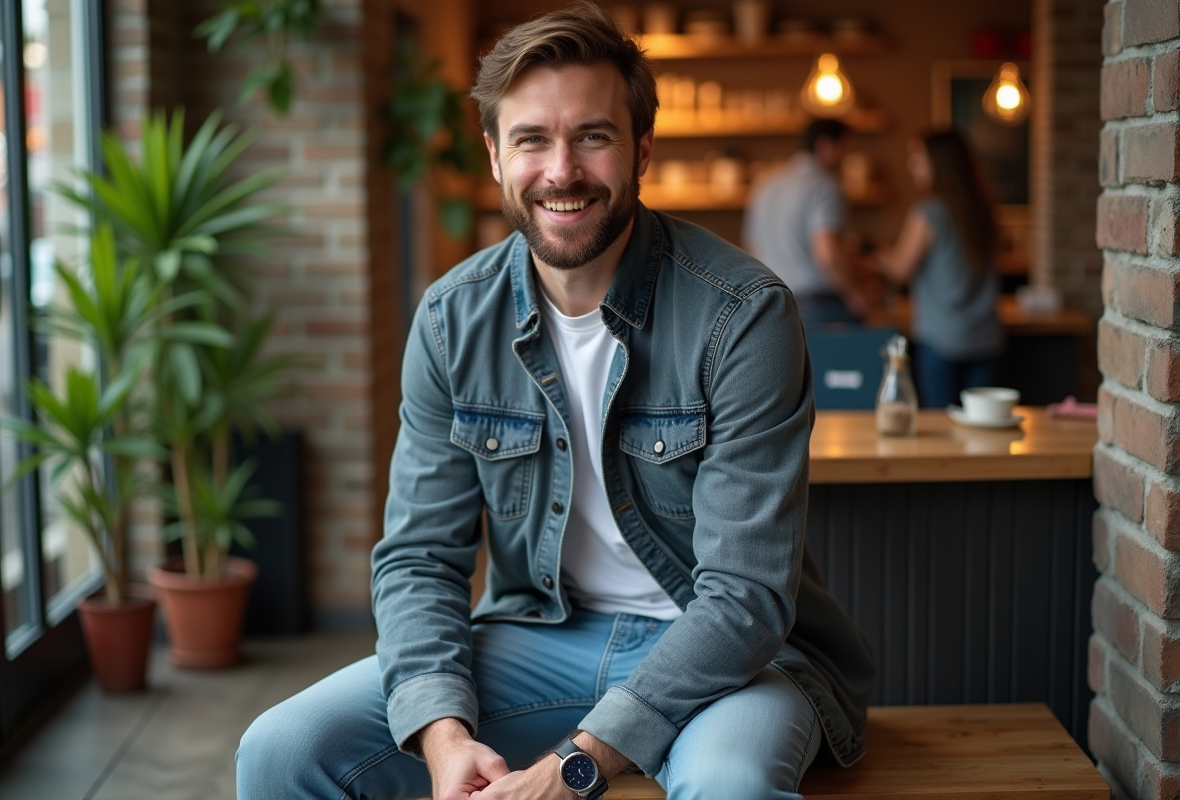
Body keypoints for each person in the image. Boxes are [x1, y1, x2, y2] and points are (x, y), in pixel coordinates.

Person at [235, 4, 874, 799]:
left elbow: (745, 598)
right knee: (280, 750)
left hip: (729, 655)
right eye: (532, 138)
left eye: (593, 137)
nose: (561, 170)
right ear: (495, 155)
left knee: (731, 788)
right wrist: (441, 735)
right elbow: (419, 558)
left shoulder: (741, 314)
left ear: (642, 149)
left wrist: (578, 767)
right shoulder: (449, 319)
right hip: (539, 635)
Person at [870, 129, 1003, 409]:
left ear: (938, 163)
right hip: (986, 338)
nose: (912, 165)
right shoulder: (984, 209)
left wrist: (878, 256)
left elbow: (900, 269)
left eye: (918, 158)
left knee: (942, 432)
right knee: (983, 429)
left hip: (942, 340)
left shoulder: (928, 212)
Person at [742, 118, 870, 327]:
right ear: (825, 146)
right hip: (817, 307)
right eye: (844, 150)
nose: (845, 159)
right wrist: (855, 295)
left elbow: (751, 249)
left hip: (769, 306)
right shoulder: (825, 184)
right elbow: (827, 253)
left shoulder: (765, 184)